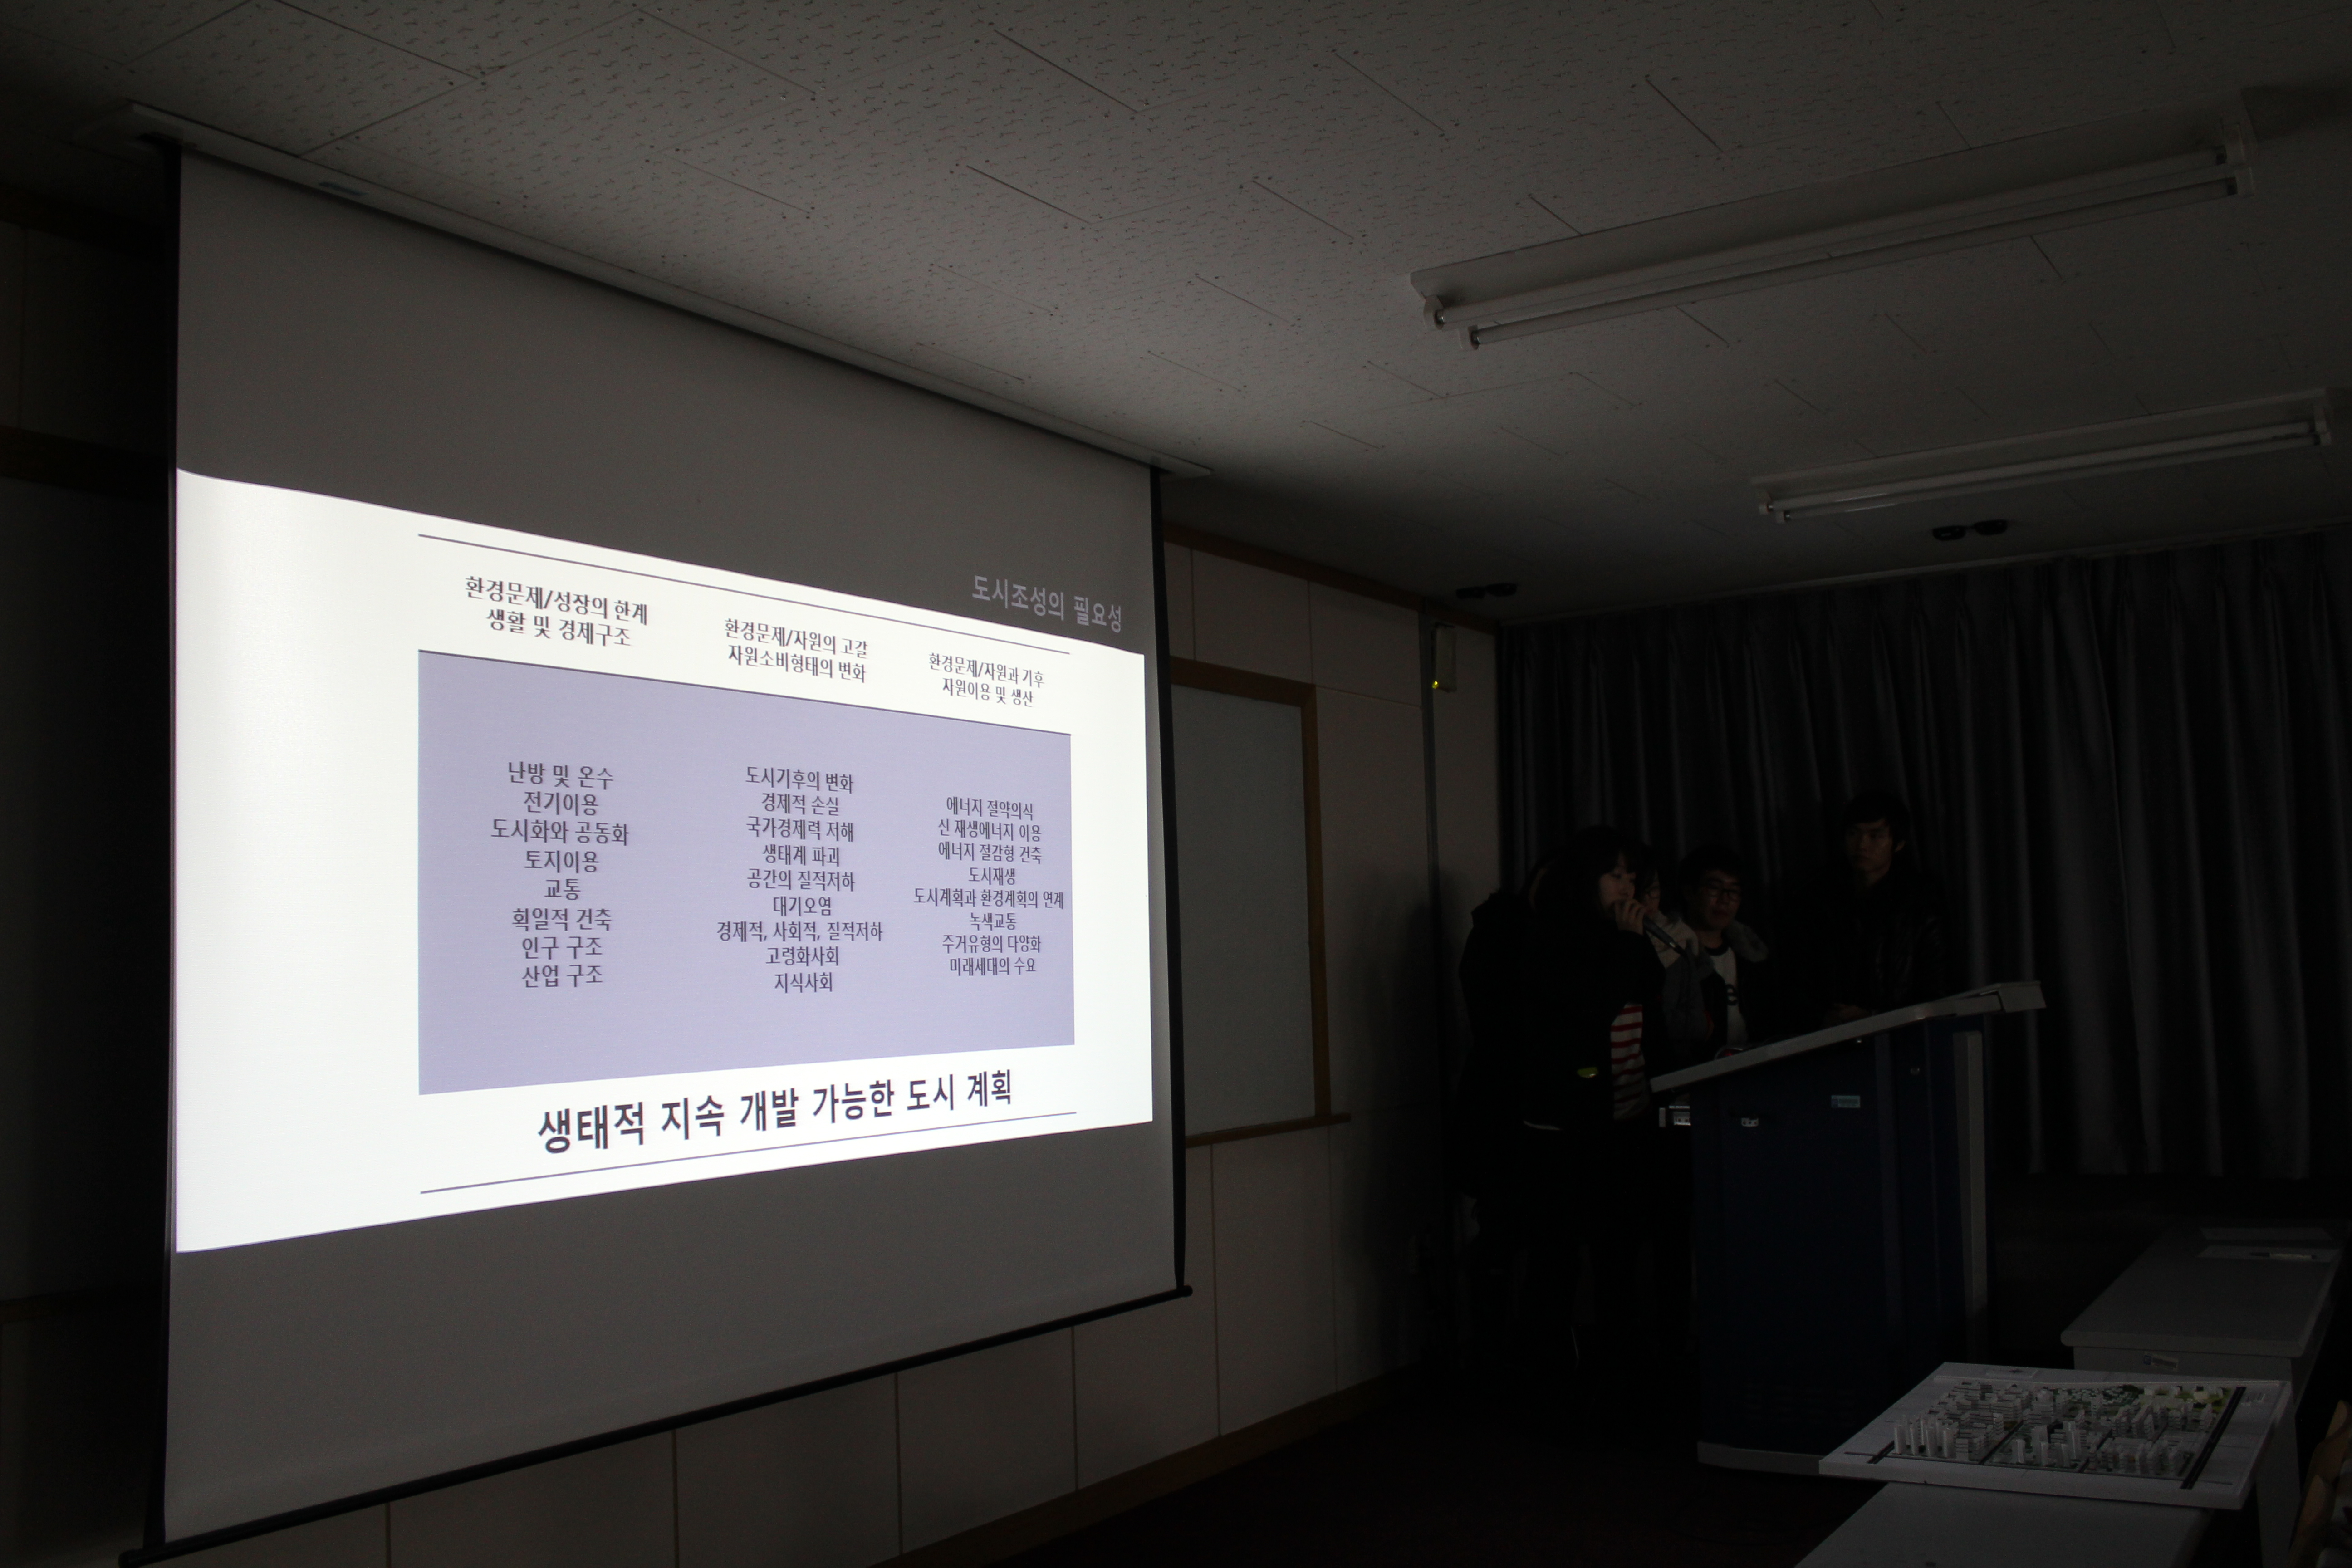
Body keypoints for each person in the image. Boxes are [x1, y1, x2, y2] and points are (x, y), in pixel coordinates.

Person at [1475, 826, 1665, 1393]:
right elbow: (1590, 1012)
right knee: (1555, 1260)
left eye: (1632, 875)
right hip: (1564, 1133)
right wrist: (1627, 942)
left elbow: (1651, 992)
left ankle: (1623, 1376)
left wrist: (1637, 938)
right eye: (1614, 875)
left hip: (1626, 1121)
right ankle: (1549, 1380)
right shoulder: (1552, 937)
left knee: (1619, 1258)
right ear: (1587, 880)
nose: (1626, 886)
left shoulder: (1625, 936)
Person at [1785, 791, 1952, 1026]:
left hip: (1900, 1034)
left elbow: (1936, 989)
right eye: (1854, 834)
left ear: (1898, 844)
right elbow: (1798, 982)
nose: (1862, 845)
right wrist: (1823, 1017)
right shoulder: (1817, 900)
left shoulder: (1920, 904)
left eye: (1876, 836)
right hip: (1830, 1035)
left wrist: (1874, 1018)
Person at [1656, 844, 1777, 1057]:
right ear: (1689, 892)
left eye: (1734, 891)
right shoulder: (1670, 955)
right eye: (1714, 888)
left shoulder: (1752, 957)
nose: (1725, 899)